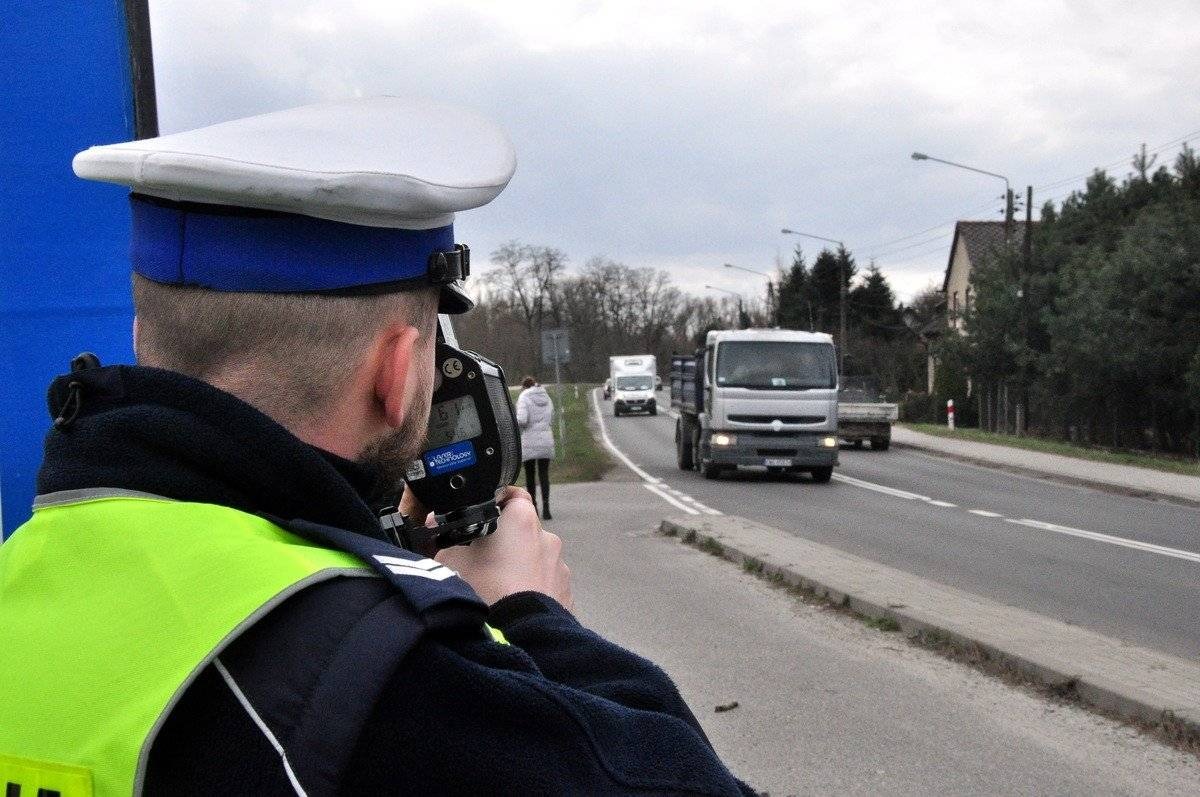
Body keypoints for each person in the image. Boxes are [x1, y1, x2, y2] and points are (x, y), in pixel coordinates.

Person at [0, 98, 753, 796]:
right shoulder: (394, 678)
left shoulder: (20, 573)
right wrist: (533, 620)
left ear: (141, 338)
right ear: (396, 372)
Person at [516, 375, 555, 520]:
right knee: (544, 474)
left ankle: (534, 509)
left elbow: (522, 419)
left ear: (524, 386)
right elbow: (552, 416)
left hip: (529, 441)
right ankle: (547, 508)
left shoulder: (524, 397)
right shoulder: (546, 396)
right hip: (546, 439)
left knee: (530, 476)